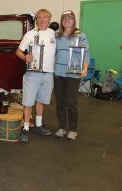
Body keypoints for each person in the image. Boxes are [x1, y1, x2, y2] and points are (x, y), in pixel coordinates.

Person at [16, 9, 56, 143]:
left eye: (45, 17)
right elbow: (18, 52)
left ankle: (38, 125)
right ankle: (26, 128)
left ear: (49, 19)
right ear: (36, 20)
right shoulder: (29, 34)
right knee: (28, 102)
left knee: (41, 101)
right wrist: (25, 57)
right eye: (39, 18)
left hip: (48, 74)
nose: (42, 20)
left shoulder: (52, 33)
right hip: (32, 74)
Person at [54, 10, 90, 140]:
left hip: (73, 74)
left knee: (71, 102)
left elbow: (86, 53)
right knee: (60, 102)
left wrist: (85, 68)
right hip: (58, 73)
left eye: (70, 18)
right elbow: (52, 53)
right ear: (62, 21)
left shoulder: (81, 35)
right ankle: (62, 127)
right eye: (64, 18)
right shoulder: (57, 36)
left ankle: (73, 129)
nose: (67, 20)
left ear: (74, 20)